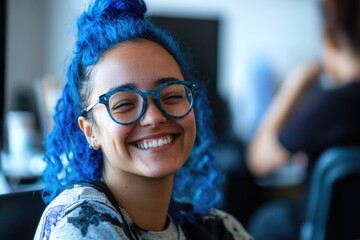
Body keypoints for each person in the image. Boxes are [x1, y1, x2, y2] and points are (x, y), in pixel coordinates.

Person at [34, 0, 253, 239]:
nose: (154, 117)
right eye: (124, 104)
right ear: (90, 131)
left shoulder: (218, 228)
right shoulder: (81, 224)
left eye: (171, 95)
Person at [247, 0, 360, 239]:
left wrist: (296, 83)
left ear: (329, 38)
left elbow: (259, 160)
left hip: (329, 229)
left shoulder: (330, 104)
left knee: (268, 220)